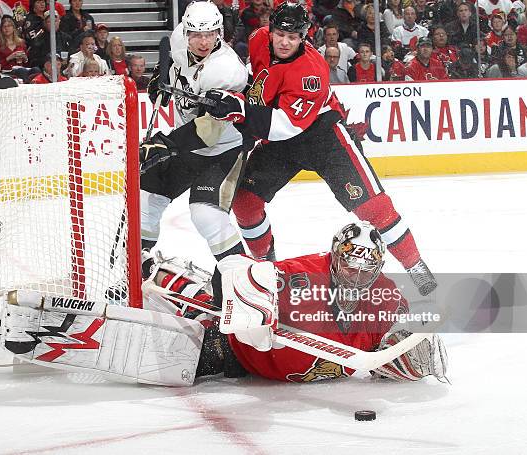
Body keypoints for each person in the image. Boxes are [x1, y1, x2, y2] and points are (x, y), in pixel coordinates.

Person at [179, 2, 436, 295]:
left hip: (322, 137)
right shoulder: (258, 39)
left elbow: (286, 125)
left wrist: (238, 108)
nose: (285, 42)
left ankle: (417, 269)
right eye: (280, 34)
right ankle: (264, 265)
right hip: (279, 139)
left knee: (374, 208)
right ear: (270, 30)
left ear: (304, 37)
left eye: (294, 36)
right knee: (246, 204)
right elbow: (257, 82)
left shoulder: (312, 71)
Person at [0, 221, 449, 385]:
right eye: (349, 267)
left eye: (365, 270)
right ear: (333, 259)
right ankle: (71, 318)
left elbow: (402, 339)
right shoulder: (302, 271)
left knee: (203, 313)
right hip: (241, 353)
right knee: (187, 345)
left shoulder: (386, 299)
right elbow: (250, 273)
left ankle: (167, 277)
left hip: (270, 370)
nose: (357, 276)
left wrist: (409, 351)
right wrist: (257, 309)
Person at [140, 0, 249, 261]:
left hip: (223, 149)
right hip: (186, 143)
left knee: (206, 214)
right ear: (186, 32)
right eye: (197, 35)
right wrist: (160, 77)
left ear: (219, 33)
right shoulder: (179, 37)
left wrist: (164, 143)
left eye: (210, 34)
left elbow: (208, 132)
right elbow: (173, 63)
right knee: (145, 200)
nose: (203, 42)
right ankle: (137, 268)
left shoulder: (227, 70)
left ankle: (240, 278)